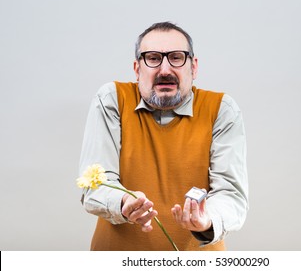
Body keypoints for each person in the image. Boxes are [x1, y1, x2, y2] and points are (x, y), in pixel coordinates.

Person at [79, 22, 248, 251]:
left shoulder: (222, 109)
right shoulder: (111, 99)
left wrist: (206, 220)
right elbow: (94, 185)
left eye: (177, 57)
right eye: (153, 58)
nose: (165, 69)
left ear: (194, 67)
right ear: (137, 69)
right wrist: (123, 202)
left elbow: (231, 195)